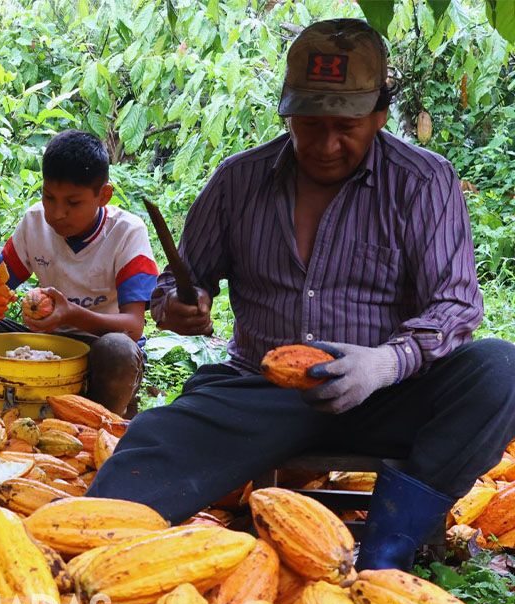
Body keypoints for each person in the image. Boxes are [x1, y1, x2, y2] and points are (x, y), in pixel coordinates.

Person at [88, 18, 515, 571]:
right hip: (261, 391)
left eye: (347, 126)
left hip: (388, 392)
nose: (328, 144)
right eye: (310, 125)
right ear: (287, 112)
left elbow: (456, 306)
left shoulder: (421, 180)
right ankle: (84, 544)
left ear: (379, 114)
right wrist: (177, 305)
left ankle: (386, 553)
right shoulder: (239, 181)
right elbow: (178, 281)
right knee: (151, 445)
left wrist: (386, 363)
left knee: (500, 368)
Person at [0, 130, 159, 417]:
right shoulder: (34, 223)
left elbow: (133, 326)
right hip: (45, 349)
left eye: (73, 203)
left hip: (99, 352)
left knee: (118, 350)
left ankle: (98, 420)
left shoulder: (127, 233)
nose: (57, 213)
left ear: (104, 195)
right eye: (49, 197)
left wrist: (70, 315)